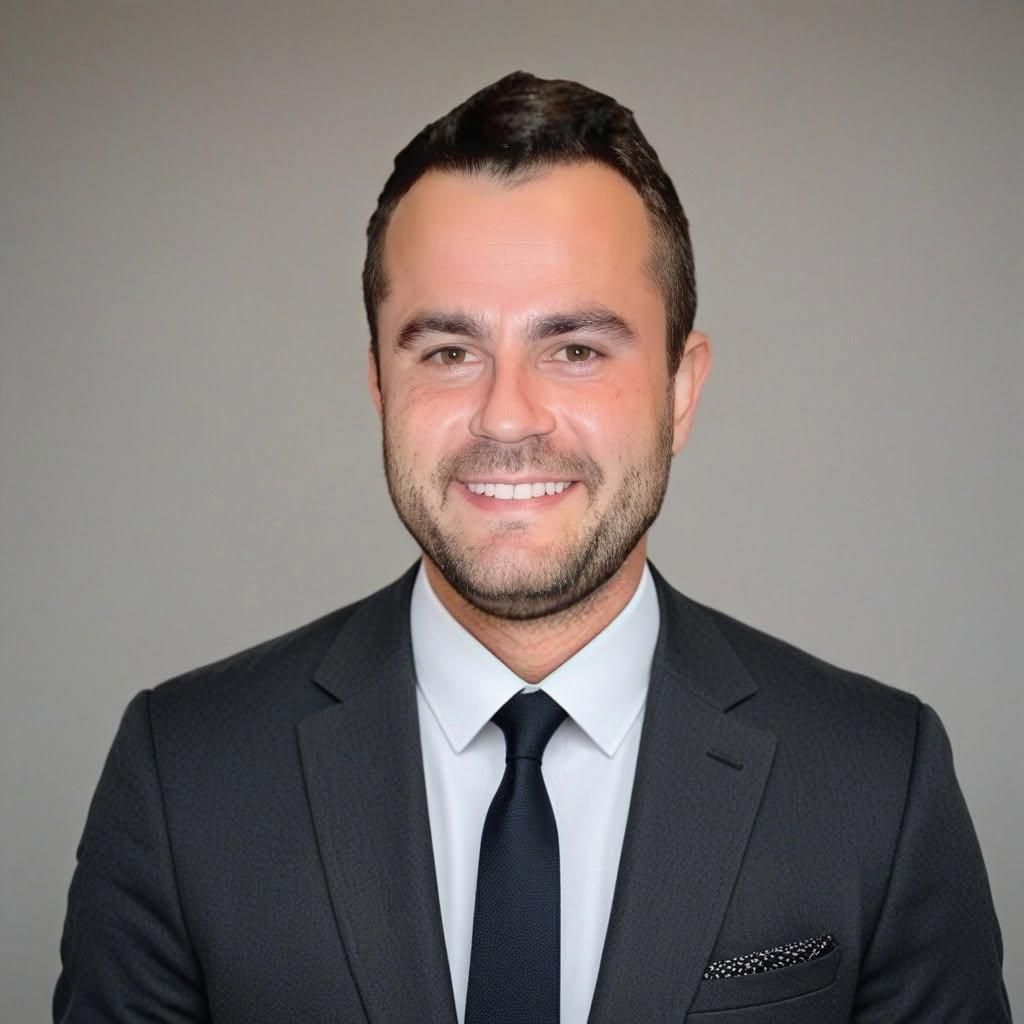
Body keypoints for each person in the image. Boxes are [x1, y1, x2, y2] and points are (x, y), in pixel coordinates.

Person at [53, 71, 1011, 1023]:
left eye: (576, 350)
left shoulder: (877, 780)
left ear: (680, 391)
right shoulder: (184, 776)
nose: (506, 416)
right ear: (380, 386)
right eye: (448, 352)